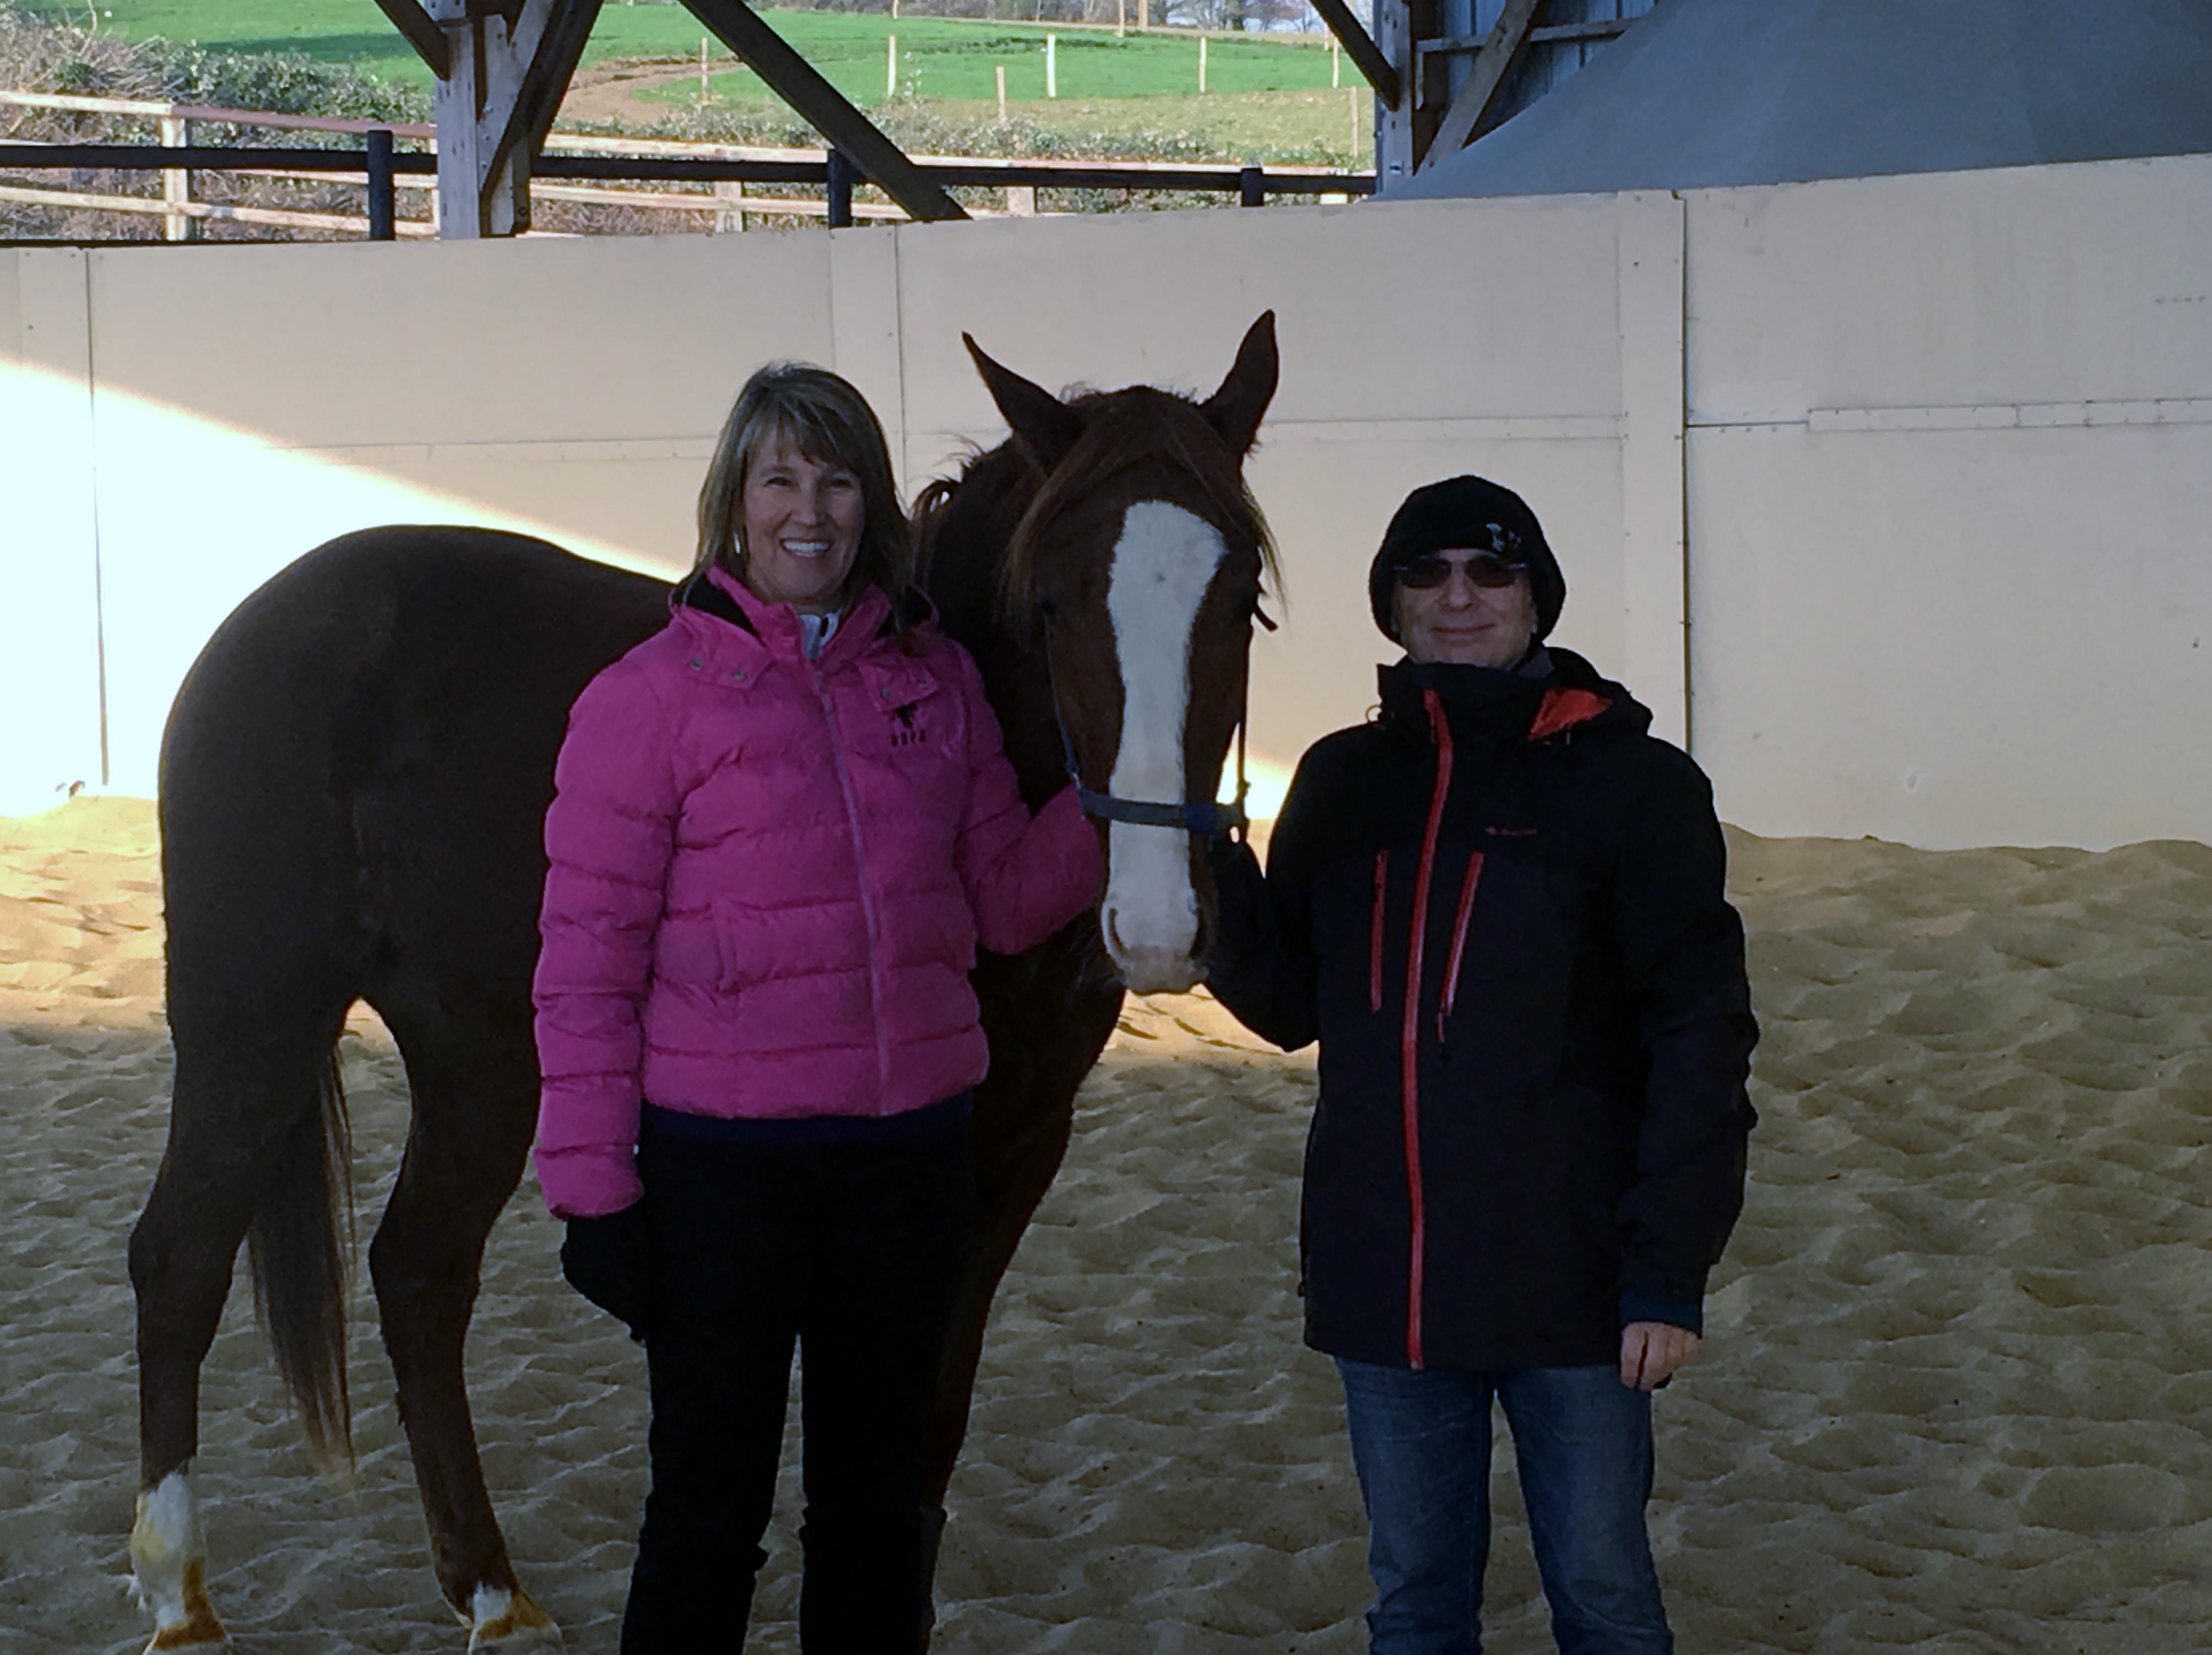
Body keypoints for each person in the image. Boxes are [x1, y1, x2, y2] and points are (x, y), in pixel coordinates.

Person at [529, 363, 1102, 1652]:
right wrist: (592, 1189)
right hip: (724, 1167)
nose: (810, 508)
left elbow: (1002, 903)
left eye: (837, 479)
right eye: (779, 476)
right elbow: (585, 961)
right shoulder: (645, 700)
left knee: (874, 1512)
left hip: (904, 1159)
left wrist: (1115, 795)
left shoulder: (935, 681)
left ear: (872, 505)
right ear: (732, 503)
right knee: (706, 1512)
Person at [1205, 475, 1758, 1654]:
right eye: (1427, 574)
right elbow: (1288, 1004)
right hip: (1385, 1281)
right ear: (1391, 602)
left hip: (1577, 1287)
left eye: (1489, 572)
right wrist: (1210, 869)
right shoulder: (1341, 779)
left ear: (1536, 596)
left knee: (1604, 1595)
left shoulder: (1639, 786)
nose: (1457, 598)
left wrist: (1666, 1272)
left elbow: (1699, 1038)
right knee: (1414, 1598)